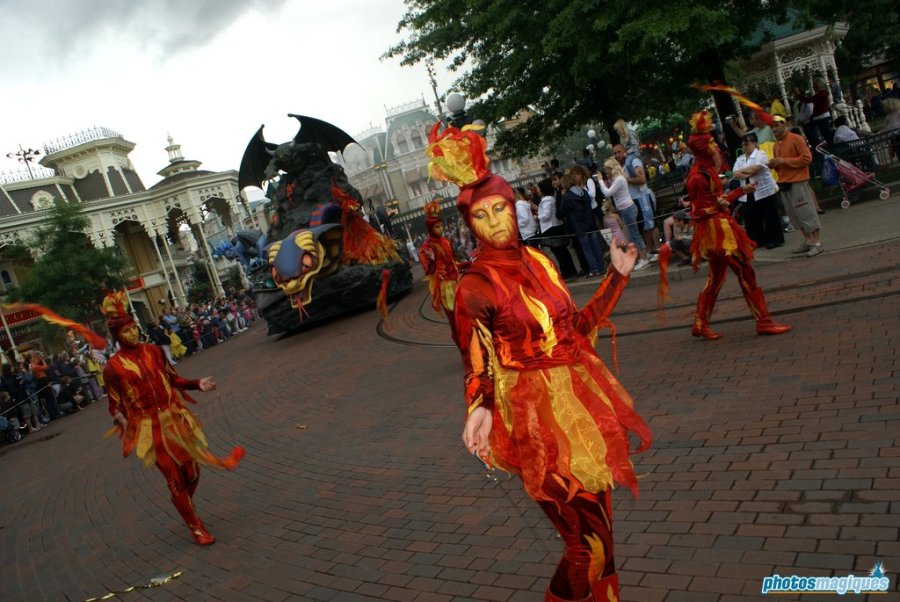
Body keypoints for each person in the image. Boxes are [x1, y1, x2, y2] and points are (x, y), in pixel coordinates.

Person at [426, 123, 652, 602]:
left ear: (514, 207)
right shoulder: (474, 286)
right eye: (482, 217)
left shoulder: (540, 261)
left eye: (501, 210)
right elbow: (476, 361)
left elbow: (576, 332)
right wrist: (479, 408)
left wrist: (616, 277)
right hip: (534, 421)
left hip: (579, 405)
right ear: (471, 225)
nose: (496, 223)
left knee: (603, 540)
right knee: (583, 546)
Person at [101, 291, 244, 545]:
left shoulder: (155, 351)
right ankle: (195, 526)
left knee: (192, 471)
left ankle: (181, 499)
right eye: (126, 332)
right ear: (117, 336)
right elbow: (114, 403)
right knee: (173, 477)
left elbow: (173, 379)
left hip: (175, 419)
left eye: (134, 329)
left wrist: (197, 383)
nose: (132, 334)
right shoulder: (112, 367)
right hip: (149, 427)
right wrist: (121, 418)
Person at [680, 110, 792, 340]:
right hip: (718, 233)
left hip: (719, 229)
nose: (714, 145)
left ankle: (701, 323)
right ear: (703, 147)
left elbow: (716, 201)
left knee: (717, 276)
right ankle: (764, 321)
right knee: (744, 270)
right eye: (710, 142)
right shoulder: (697, 177)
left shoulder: (707, 170)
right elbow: (700, 212)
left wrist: (738, 192)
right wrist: (733, 196)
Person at [769, 115, 824, 257]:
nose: (774, 128)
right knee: (794, 216)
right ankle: (808, 241)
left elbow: (807, 158)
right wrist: (775, 164)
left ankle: (817, 243)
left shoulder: (796, 139)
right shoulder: (776, 145)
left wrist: (784, 161)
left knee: (807, 212)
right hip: (785, 184)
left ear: (784, 124)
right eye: (772, 126)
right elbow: (782, 165)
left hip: (798, 182)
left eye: (776, 125)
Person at [418, 201, 468, 342]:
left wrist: (469, 263)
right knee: (454, 320)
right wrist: (433, 260)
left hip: (457, 282)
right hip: (446, 287)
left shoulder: (446, 241)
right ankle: (462, 347)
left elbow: (453, 263)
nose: (441, 229)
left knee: (465, 317)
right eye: (437, 227)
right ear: (430, 228)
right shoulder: (426, 247)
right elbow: (428, 270)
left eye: (441, 226)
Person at [731, 133, 785, 249]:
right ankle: (757, 240)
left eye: (747, 144)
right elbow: (735, 174)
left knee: (770, 216)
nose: (744, 146)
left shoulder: (761, 154)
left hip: (764, 190)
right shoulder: (740, 159)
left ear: (754, 143)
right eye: (743, 144)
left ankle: (774, 239)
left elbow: (757, 168)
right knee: (751, 217)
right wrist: (747, 172)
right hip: (748, 192)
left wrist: (743, 171)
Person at [598, 157, 651, 271]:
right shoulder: (618, 179)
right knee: (633, 233)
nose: (606, 171)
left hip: (627, 208)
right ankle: (643, 256)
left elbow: (608, 192)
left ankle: (644, 258)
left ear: (611, 168)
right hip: (626, 208)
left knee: (634, 234)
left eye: (607, 169)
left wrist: (600, 181)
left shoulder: (619, 179)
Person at [559, 166, 606, 278]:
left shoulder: (568, 196)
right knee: (596, 246)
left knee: (586, 249)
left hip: (580, 226)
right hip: (590, 222)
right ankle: (601, 267)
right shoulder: (584, 192)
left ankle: (593, 269)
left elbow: (561, 211)